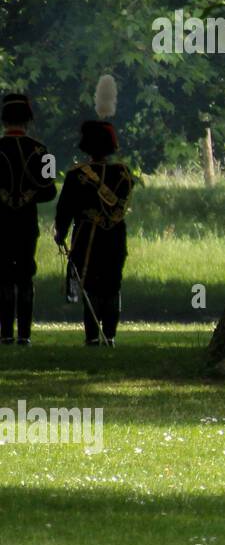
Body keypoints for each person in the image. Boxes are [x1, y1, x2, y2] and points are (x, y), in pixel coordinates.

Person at [54, 76, 133, 346]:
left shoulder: (77, 175)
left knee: (90, 285)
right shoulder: (123, 173)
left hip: (87, 236)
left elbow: (65, 209)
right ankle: (110, 335)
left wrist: (60, 233)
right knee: (112, 284)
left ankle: (92, 337)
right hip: (114, 236)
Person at [0, 93, 57, 345]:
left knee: (3, 279)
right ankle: (24, 335)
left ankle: (5, 335)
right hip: (26, 224)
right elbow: (50, 190)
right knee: (24, 278)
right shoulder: (42, 151)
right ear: (27, 120)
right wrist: (27, 196)